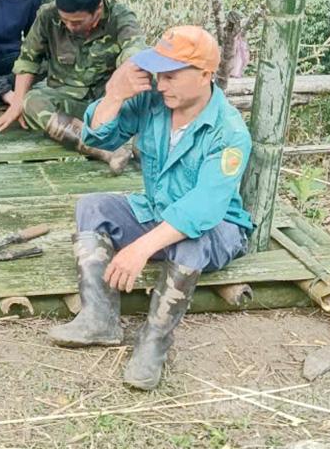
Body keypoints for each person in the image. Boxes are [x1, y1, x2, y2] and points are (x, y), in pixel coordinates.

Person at [47, 26, 254, 391]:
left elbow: (202, 209)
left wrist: (140, 249)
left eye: (172, 76)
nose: (162, 85)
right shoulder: (153, 103)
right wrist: (113, 94)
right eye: (159, 74)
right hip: (156, 211)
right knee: (93, 207)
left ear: (206, 75)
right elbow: (98, 137)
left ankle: (153, 341)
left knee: (191, 241)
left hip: (217, 227)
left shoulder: (229, 131)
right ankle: (99, 318)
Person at [0, 0, 143, 136]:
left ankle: (93, 134)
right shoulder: (48, 16)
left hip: (106, 101)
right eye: (65, 21)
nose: (70, 26)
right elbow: (28, 61)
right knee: (31, 102)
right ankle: (90, 143)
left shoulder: (120, 18)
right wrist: (17, 104)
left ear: (98, 9)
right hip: (65, 97)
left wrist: (122, 81)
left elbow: (135, 53)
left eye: (77, 22)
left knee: (144, 98)